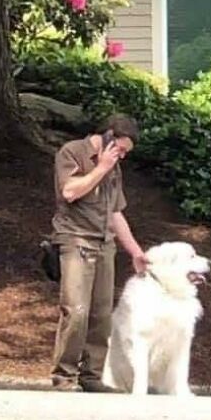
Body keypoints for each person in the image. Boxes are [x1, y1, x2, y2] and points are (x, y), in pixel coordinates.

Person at [49, 113, 148, 392]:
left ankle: (91, 375)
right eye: (121, 149)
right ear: (107, 136)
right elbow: (70, 191)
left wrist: (135, 251)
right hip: (76, 239)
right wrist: (101, 167)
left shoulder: (114, 168)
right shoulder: (72, 153)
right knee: (76, 310)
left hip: (104, 242)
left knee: (101, 314)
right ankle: (64, 375)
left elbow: (116, 212)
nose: (123, 156)